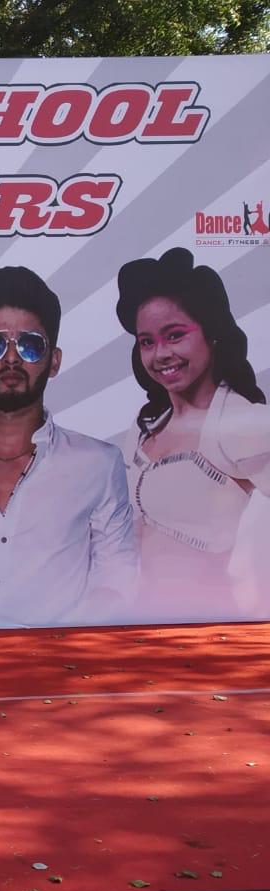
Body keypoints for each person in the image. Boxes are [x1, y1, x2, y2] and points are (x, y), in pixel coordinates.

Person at [0, 266, 136, 625]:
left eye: (30, 345)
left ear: (54, 361)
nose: (11, 358)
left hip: (60, 658)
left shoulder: (98, 465)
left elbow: (116, 580)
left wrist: (58, 649)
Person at [115, 246, 270, 617]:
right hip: (138, 623)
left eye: (175, 335)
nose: (160, 354)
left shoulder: (243, 423)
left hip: (212, 628)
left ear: (212, 333)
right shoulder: (145, 426)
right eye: (147, 341)